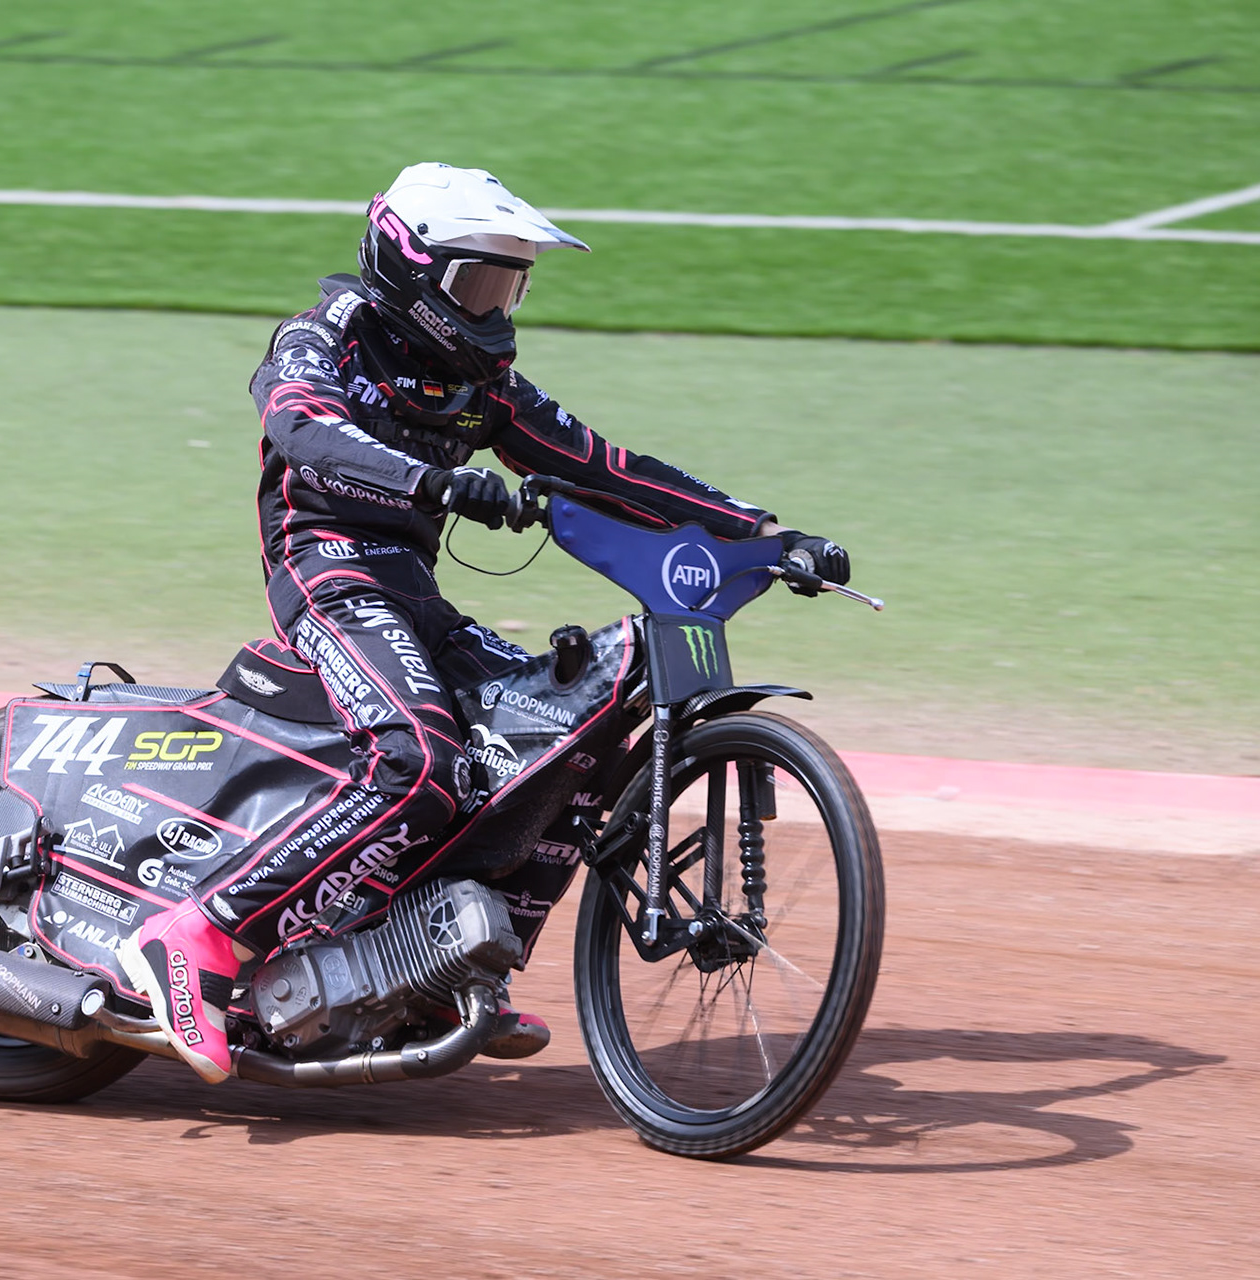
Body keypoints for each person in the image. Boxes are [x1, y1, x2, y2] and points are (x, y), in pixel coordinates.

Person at [120, 162, 850, 1083]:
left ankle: (442, 970)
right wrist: (428, 479)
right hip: (327, 570)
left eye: (511, 283)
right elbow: (305, 430)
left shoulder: (485, 382)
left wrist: (766, 534)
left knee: (557, 736)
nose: (497, 304)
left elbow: (607, 467)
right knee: (418, 760)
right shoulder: (324, 338)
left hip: (412, 591)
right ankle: (198, 930)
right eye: (478, 281)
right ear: (409, 267)